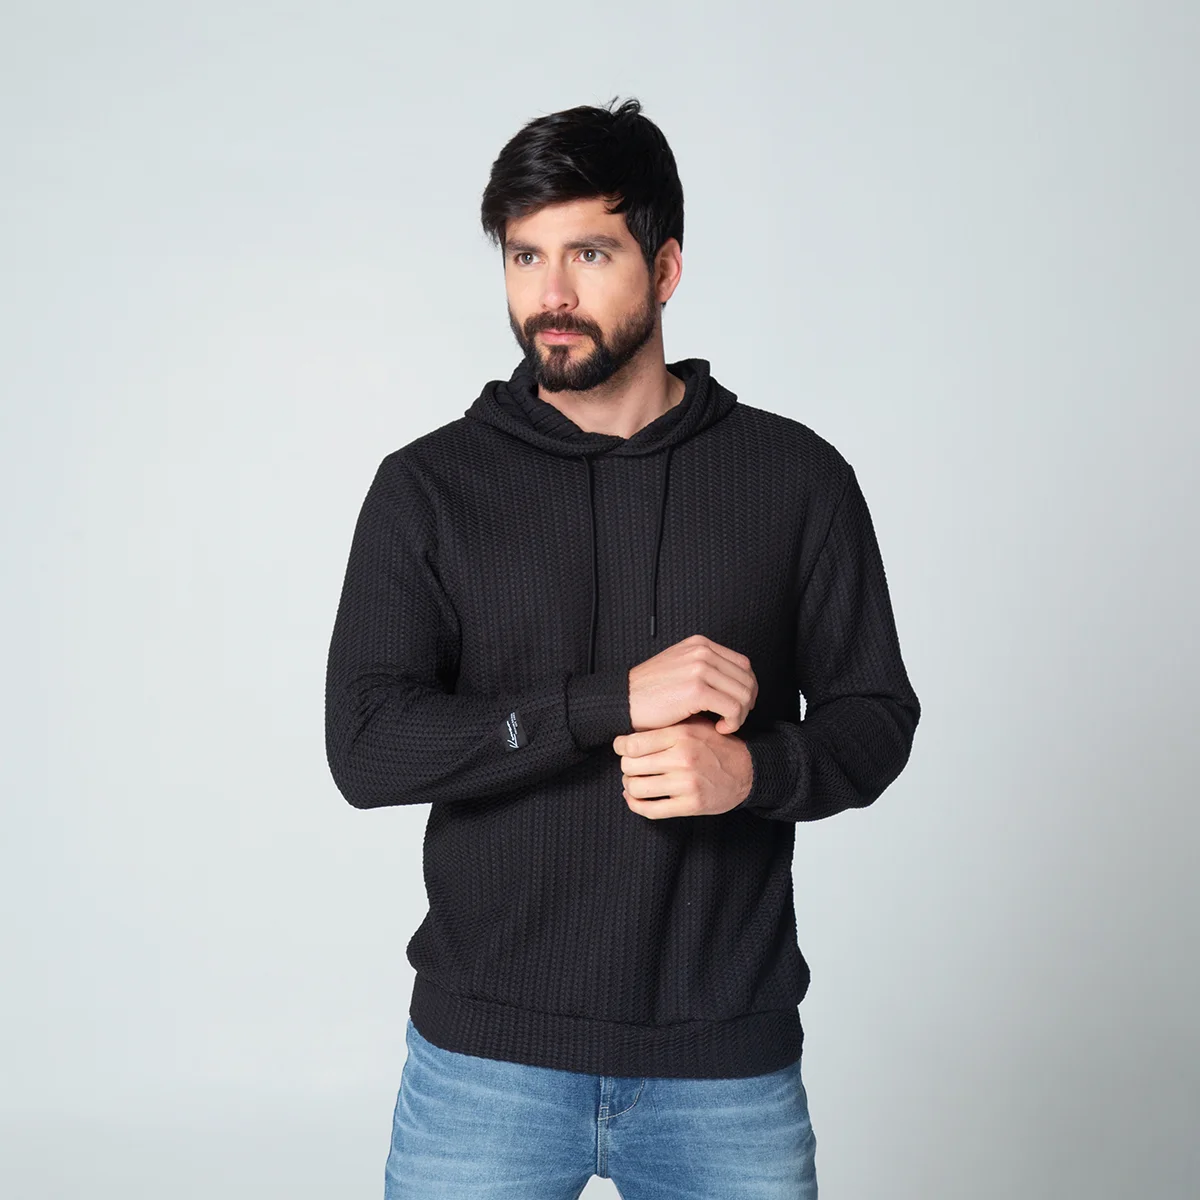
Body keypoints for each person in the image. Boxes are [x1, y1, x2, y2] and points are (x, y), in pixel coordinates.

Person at [324, 96, 921, 1200]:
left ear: (667, 267)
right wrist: (605, 703)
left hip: (725, 1067)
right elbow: (366, 748)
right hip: (484, 1064)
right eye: (525, 256)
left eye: (589, 254)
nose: (549, 294)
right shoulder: (430, 488)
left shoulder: (796, 479)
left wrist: (756, 771)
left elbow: (876, 717)